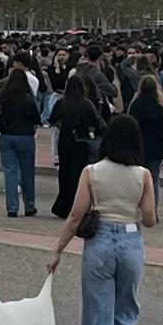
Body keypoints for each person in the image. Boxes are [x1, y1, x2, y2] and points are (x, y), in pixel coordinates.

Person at [47, 114, 156, 325]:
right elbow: (150, 219)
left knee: (98, 317)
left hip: (101, 242)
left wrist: (57, 250)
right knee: (125, 311)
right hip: (131, 241)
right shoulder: (143, 175)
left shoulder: (91, 172)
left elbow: (74, 217)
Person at [50, 76, 103, 218]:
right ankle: (78, 204)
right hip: (81, 141)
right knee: (78, 174)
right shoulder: (87, 104)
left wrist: (62, 124)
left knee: (65, 173)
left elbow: (52, 119)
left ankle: (63, 204)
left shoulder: (62, 103)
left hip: (65, 140)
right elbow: (96, 123)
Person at [0, 68, 41, 218]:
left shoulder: (4, 97)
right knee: (27, 172)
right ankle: (29, 205)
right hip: (25, 137)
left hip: (7, 136)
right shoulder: (28, 98)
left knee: (10, 173)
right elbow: (37, 119)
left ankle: (12, 207)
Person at [128, 74, 163, 211]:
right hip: (155, 148)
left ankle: (136, 209)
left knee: (136, 180)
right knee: (154, 180)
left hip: (138, 148)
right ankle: (152, 210)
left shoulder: (135, 107)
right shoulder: (160, 109)